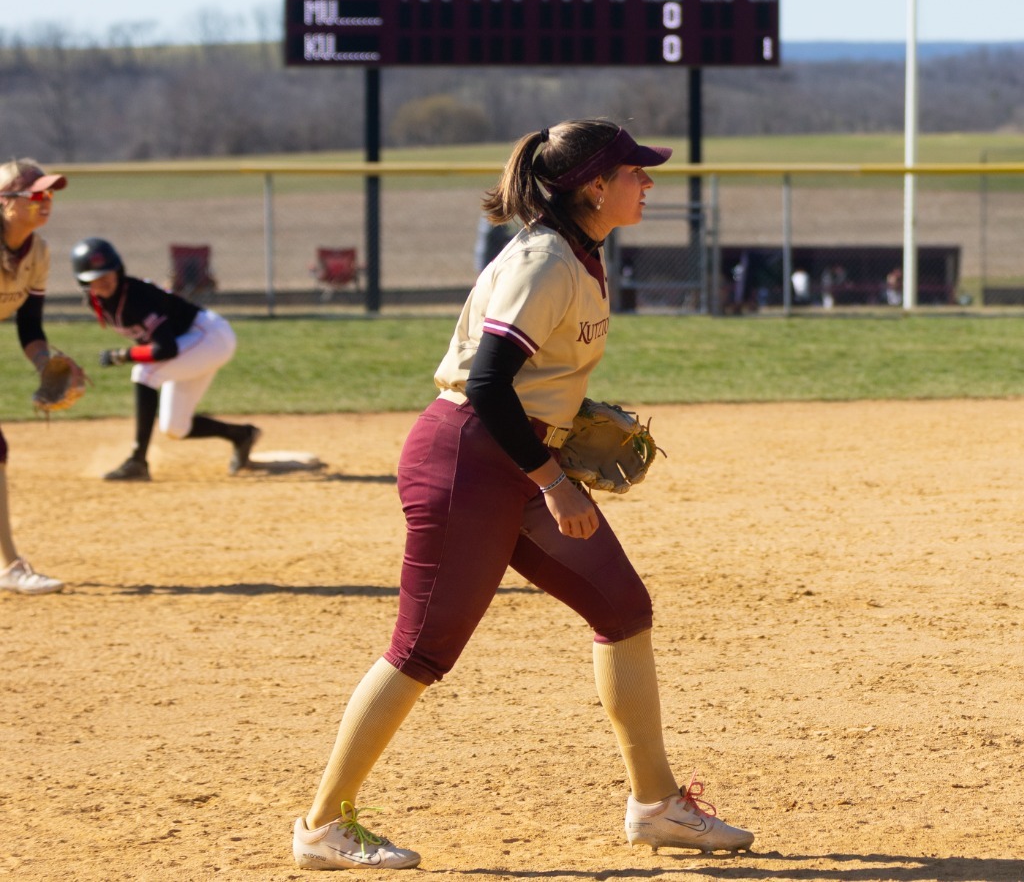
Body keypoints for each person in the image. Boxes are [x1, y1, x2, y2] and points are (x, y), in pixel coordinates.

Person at [292, 119, 753, 870]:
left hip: (517, 450)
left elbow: (527, 380)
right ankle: (320, 825)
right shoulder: (545, 261)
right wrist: (552, 478)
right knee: (421, 650)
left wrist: (563, 427)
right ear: (594, 185)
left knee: (622, 605)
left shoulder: (579, 252)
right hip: (470, 459)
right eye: (637, 171)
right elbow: (484, 384)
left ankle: (656, 803)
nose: (650, 182)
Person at [77, 238, 261, 481]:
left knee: (145, 373)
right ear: (84, 282)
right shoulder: (98, 302)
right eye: (95, 278)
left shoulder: (135, 297)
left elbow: (166, 349)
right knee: (175, 428)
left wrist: (123, 355)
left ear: (118, 269)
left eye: (108, 273)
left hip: (208, 336)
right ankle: (242, 435)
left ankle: (137, 461)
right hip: (192, 345)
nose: (104, 281)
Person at [0, 160, 71, 595]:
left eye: (50, 195)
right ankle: (11, 567)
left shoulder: (39, 253)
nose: (46, 202)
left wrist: (47, 363)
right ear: (6, 203)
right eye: (37, 195)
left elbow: (29, 327)